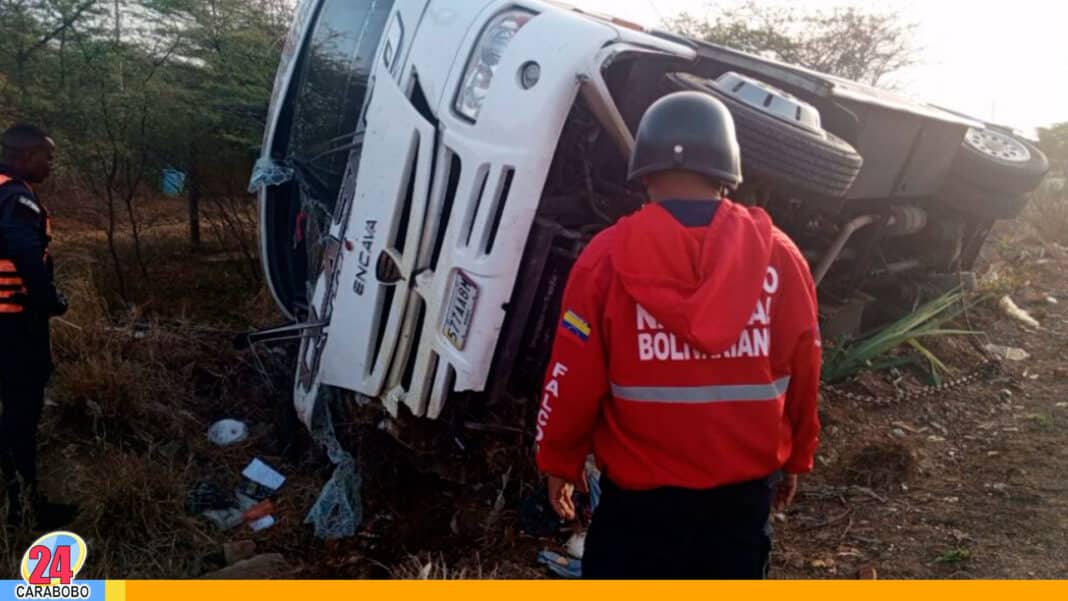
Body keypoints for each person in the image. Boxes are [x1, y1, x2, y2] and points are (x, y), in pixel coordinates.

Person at [535, 92, 822, 579]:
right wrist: (797, 456)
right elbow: (806, 364)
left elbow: (572, 374)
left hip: (638, 513)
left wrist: (558, 459)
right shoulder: (780, 257)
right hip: (740, 507)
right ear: (726, 172)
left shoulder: (606, 259)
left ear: (644, 172)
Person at [0, 123, 77, 530]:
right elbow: (23, 250)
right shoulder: (17, 199)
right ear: (25, 157)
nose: (51, 164)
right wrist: (49, 299)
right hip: (14, 323)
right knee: (21, 411)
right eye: (46, 156)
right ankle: (24, 509)